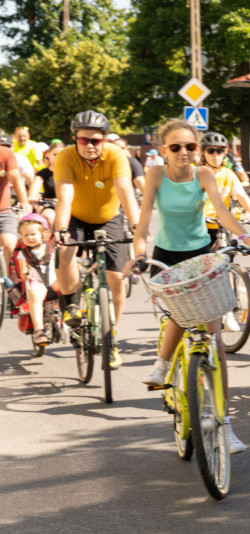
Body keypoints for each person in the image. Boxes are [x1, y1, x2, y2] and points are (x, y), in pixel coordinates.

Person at [125, 119, 250, 454]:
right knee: (179, 313)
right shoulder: (156, 177)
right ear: (163, 151)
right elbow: (143, 222)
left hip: (200, 253)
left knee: (215, 339)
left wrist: (246, 236)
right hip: (167, 255)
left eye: (190, 147)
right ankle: (162, 364)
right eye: (176, 147)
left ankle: (225, 424)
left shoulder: (205, 175)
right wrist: (139, 255)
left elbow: (222, 212)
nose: (184, 152)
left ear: (197, 150)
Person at [53, 110, 141, 370]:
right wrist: (60, 228)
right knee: (66, 252)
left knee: (115, 278)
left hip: (109, 218)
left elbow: (126, 190)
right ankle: (70, 304)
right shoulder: (66, 157)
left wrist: (137, 226)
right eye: (84, 140)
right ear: (74, 139)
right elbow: (65, 195)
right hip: (77, 217)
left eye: (96, 140)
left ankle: (111, 337)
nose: (91, 146)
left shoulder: (115, 154)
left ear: (105, 140)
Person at [198, 131, 250, 243]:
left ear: (225, 152)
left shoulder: (228, 174)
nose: (216, 155)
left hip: (222, 224)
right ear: (203, 152)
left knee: (232, 249)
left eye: (220, 151)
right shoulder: (196, 174)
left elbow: (241, 195)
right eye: (211, 151)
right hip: (199, 227)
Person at [8, 213, 60, 346]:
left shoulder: (53, 247)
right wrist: (25, 273)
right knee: (34, 294)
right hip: (38, 282)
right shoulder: (22, 253)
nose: (30, 238)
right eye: (25, 235)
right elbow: (23, 271)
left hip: (55, 280)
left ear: (43, 234)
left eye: (33, 234)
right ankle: (39, 330)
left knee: (68, 285)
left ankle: (70, 314)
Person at [0, 134, 31, 266]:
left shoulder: (6, 153)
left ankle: (5, 282)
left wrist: (24, 202)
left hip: (4, 211)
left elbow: (16, 178)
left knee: (10, 245)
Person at [28, 143, 63, 228]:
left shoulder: (71, 172)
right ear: (48, 155)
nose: (58, 157)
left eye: (61, 155)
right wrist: (33, 196)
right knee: (50, 217)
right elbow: (35, 187)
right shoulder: (43, 173)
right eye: (55, 154)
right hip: (49, 205)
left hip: (69, 206)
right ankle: (48, 240)